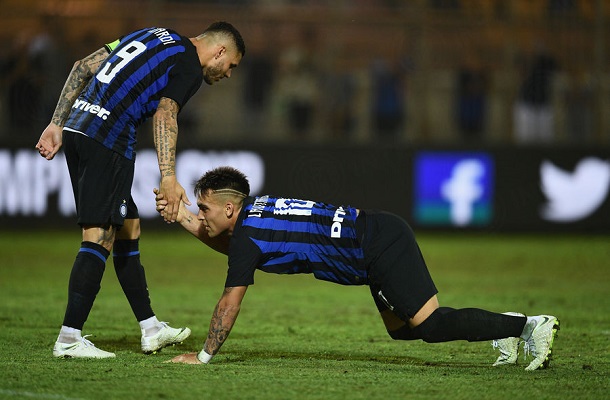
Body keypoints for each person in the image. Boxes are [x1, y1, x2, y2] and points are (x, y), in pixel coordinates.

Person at [154, 166, 560, 371]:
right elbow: (232, 245)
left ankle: (529, 326)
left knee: (431, 326)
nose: (201, 215)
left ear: (229, 208)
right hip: (374, 240)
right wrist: (182, 216)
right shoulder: (255, 211)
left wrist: (203, 357)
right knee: (401, 331)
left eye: (203, 209)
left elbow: (230, 299)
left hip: (378, 246)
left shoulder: (246, 238)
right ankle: (503, 327)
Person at [35, 22, 246, 358]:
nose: (229, 73)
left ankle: (151, 328)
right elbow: (165, 115)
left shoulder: (152, 34)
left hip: (78, 128)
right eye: (231, 65)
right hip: (108, 137)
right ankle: (69, 337)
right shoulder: (189, 64)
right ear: (219, 51)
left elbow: (83, 66)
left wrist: (56, 123)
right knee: (99, 235)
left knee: (128, 227)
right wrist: (168, 178)